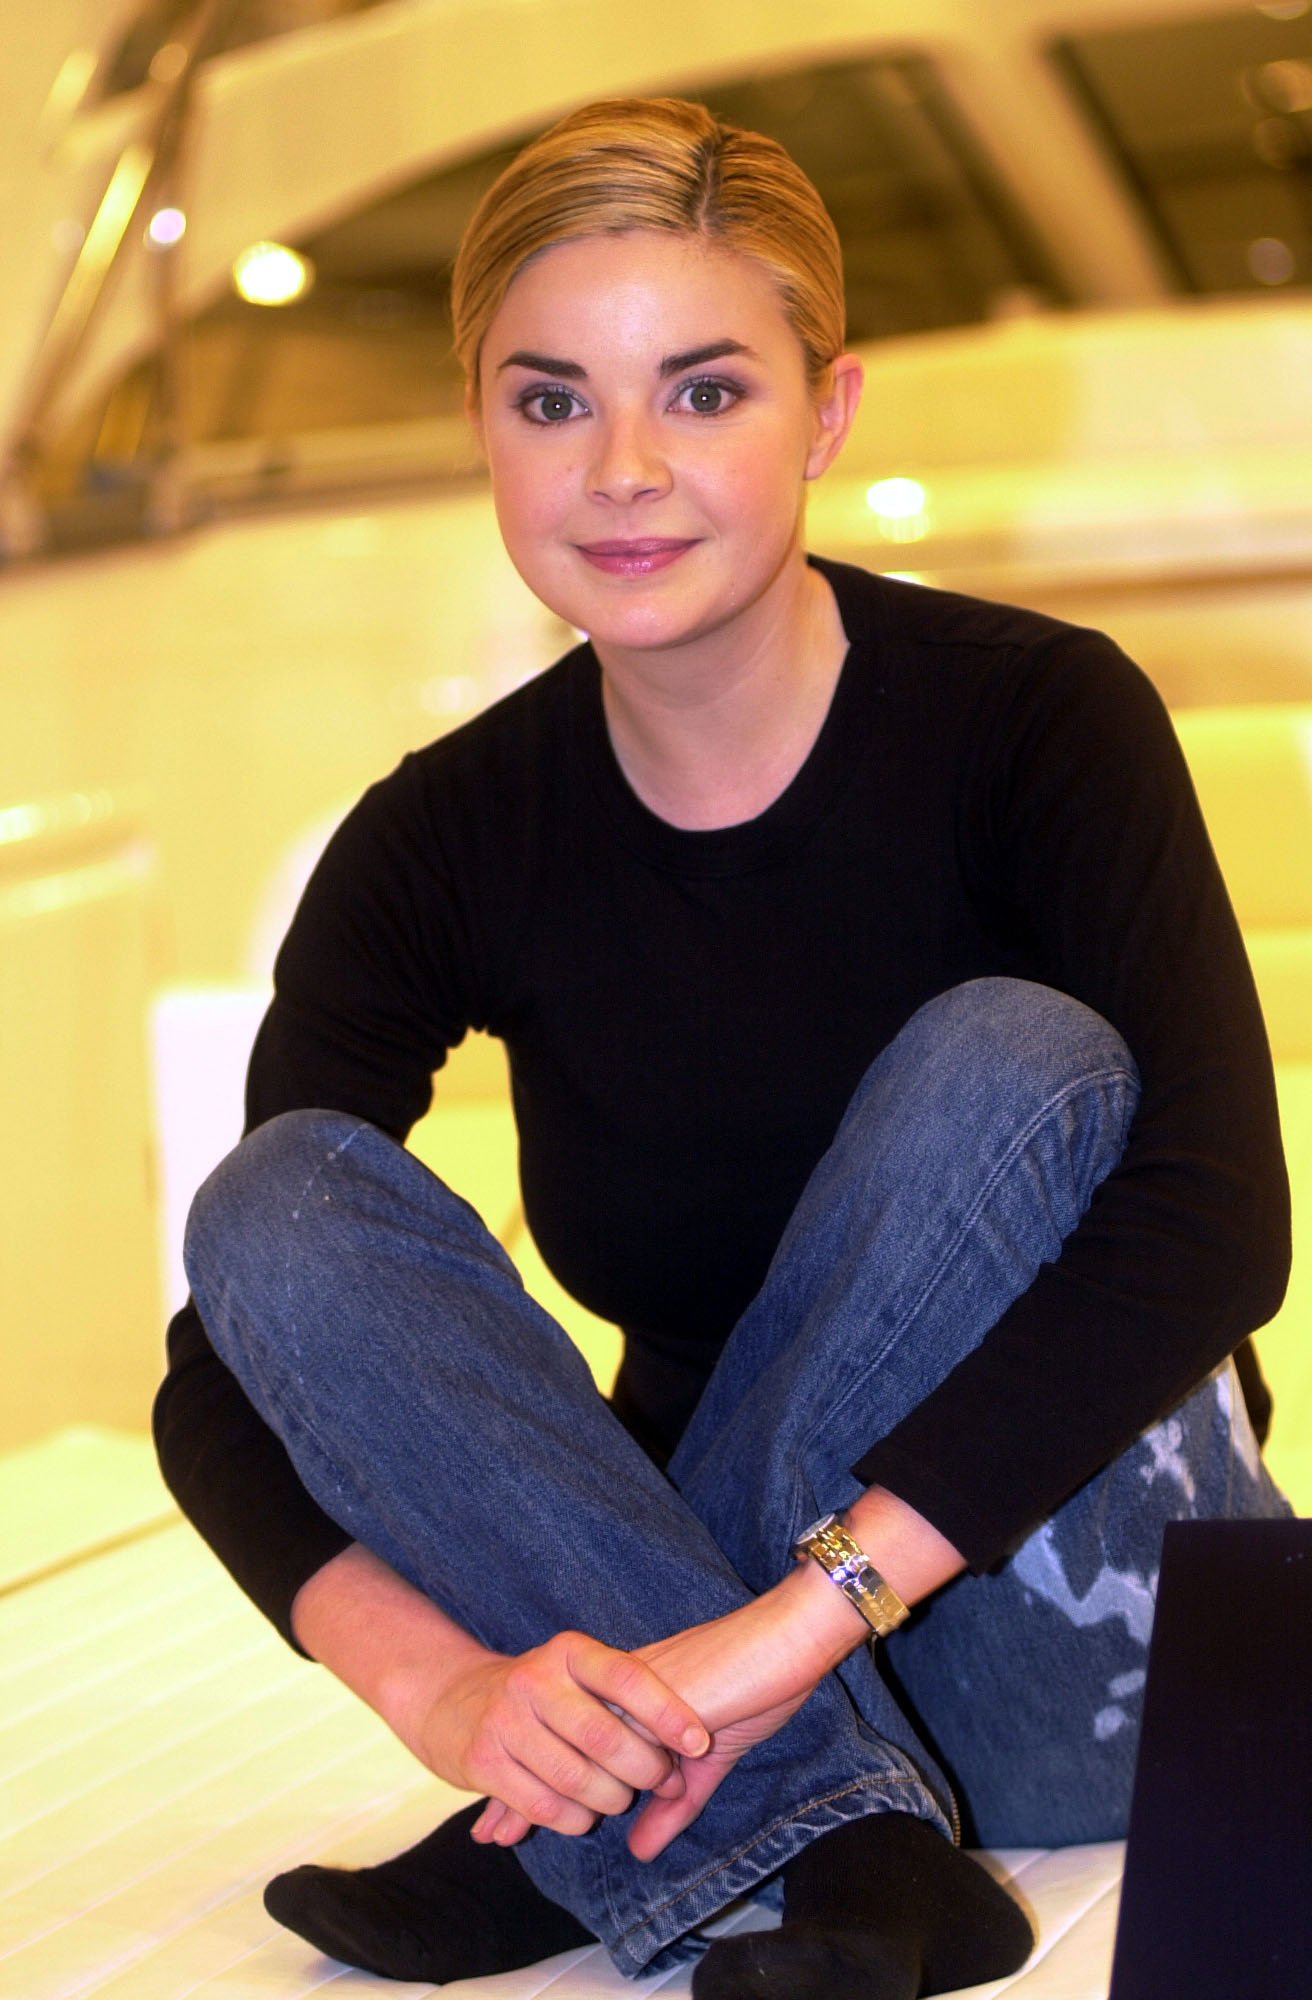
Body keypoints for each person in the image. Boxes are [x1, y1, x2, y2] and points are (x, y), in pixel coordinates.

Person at [155, 96, 1292, 2000]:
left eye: (702, 393)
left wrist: (763, 1642)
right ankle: (822, 1835)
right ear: (480, 430)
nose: (621, 472)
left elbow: (1217, 1226)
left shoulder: (1040, 724)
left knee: (1016, 1056)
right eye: (549, 402)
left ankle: (641, 1822)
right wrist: (455, 1696)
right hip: (677, 1655)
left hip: (1072, 1647)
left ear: (826, 414)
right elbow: (245, 1349)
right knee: (272, 1203)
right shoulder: (441, 839)